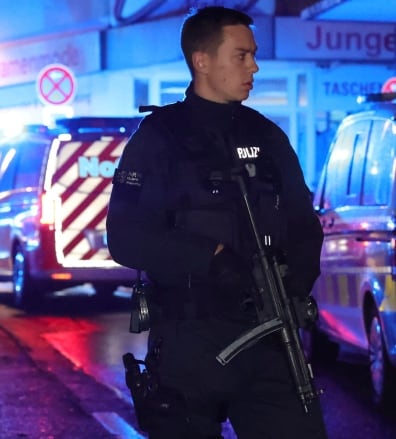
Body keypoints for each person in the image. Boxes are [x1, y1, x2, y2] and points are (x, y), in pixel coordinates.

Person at [107, 6, 327, 439]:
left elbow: (304, 226)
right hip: (189, 344)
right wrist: (210, 258)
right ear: (201, 61)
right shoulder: (158, 138)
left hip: (269, 340)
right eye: (241, 56)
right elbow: (125, 237)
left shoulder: (266, 136)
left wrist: (292, 289)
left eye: (254, 55)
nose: (254, 66)